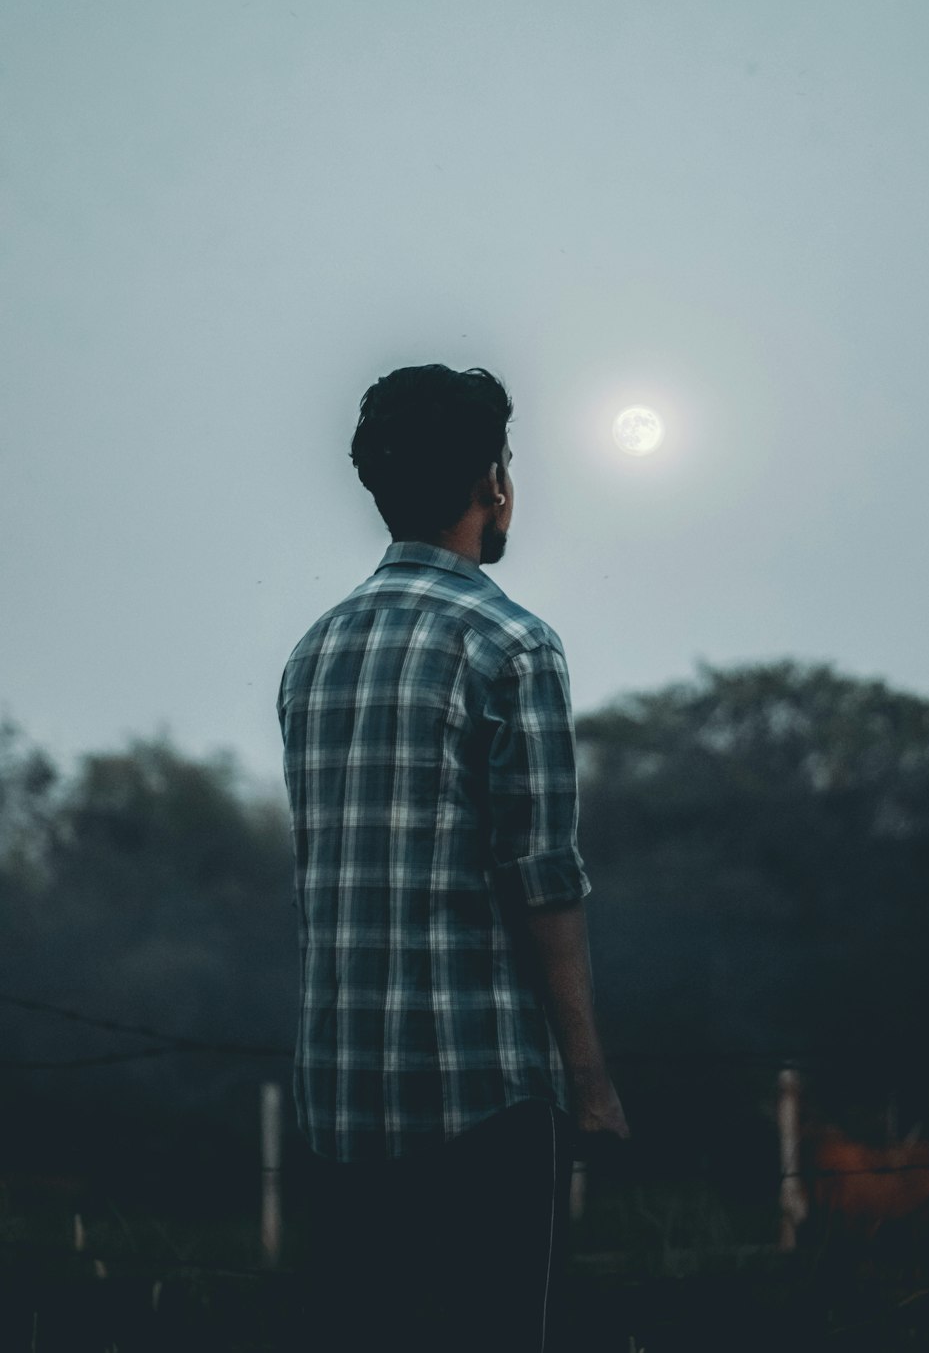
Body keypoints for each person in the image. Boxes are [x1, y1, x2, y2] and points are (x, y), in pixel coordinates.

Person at [277, 364, 628, 1352]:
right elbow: (543, 877)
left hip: (336, 1100)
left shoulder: (316, 650)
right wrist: (589, 1079)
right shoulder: (512, 643)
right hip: (481, 1099)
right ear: (493, 482)